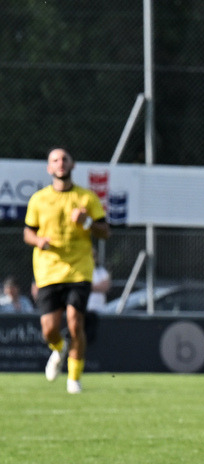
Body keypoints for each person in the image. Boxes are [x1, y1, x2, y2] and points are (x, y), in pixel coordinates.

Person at [23, 147, 110, 394]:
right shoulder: (39, 199)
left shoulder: (87, 198)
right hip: (48, 271)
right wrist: (38, 240)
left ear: (73, 164)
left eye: (64, 159)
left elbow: (105, 232)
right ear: (49, 168)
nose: (60, 163)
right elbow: (28, 232)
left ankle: (74, 378)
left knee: (74, 322)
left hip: (78, 270)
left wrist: (87, 222)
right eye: (55, 160)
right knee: (49, 330)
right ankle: (59, 348)